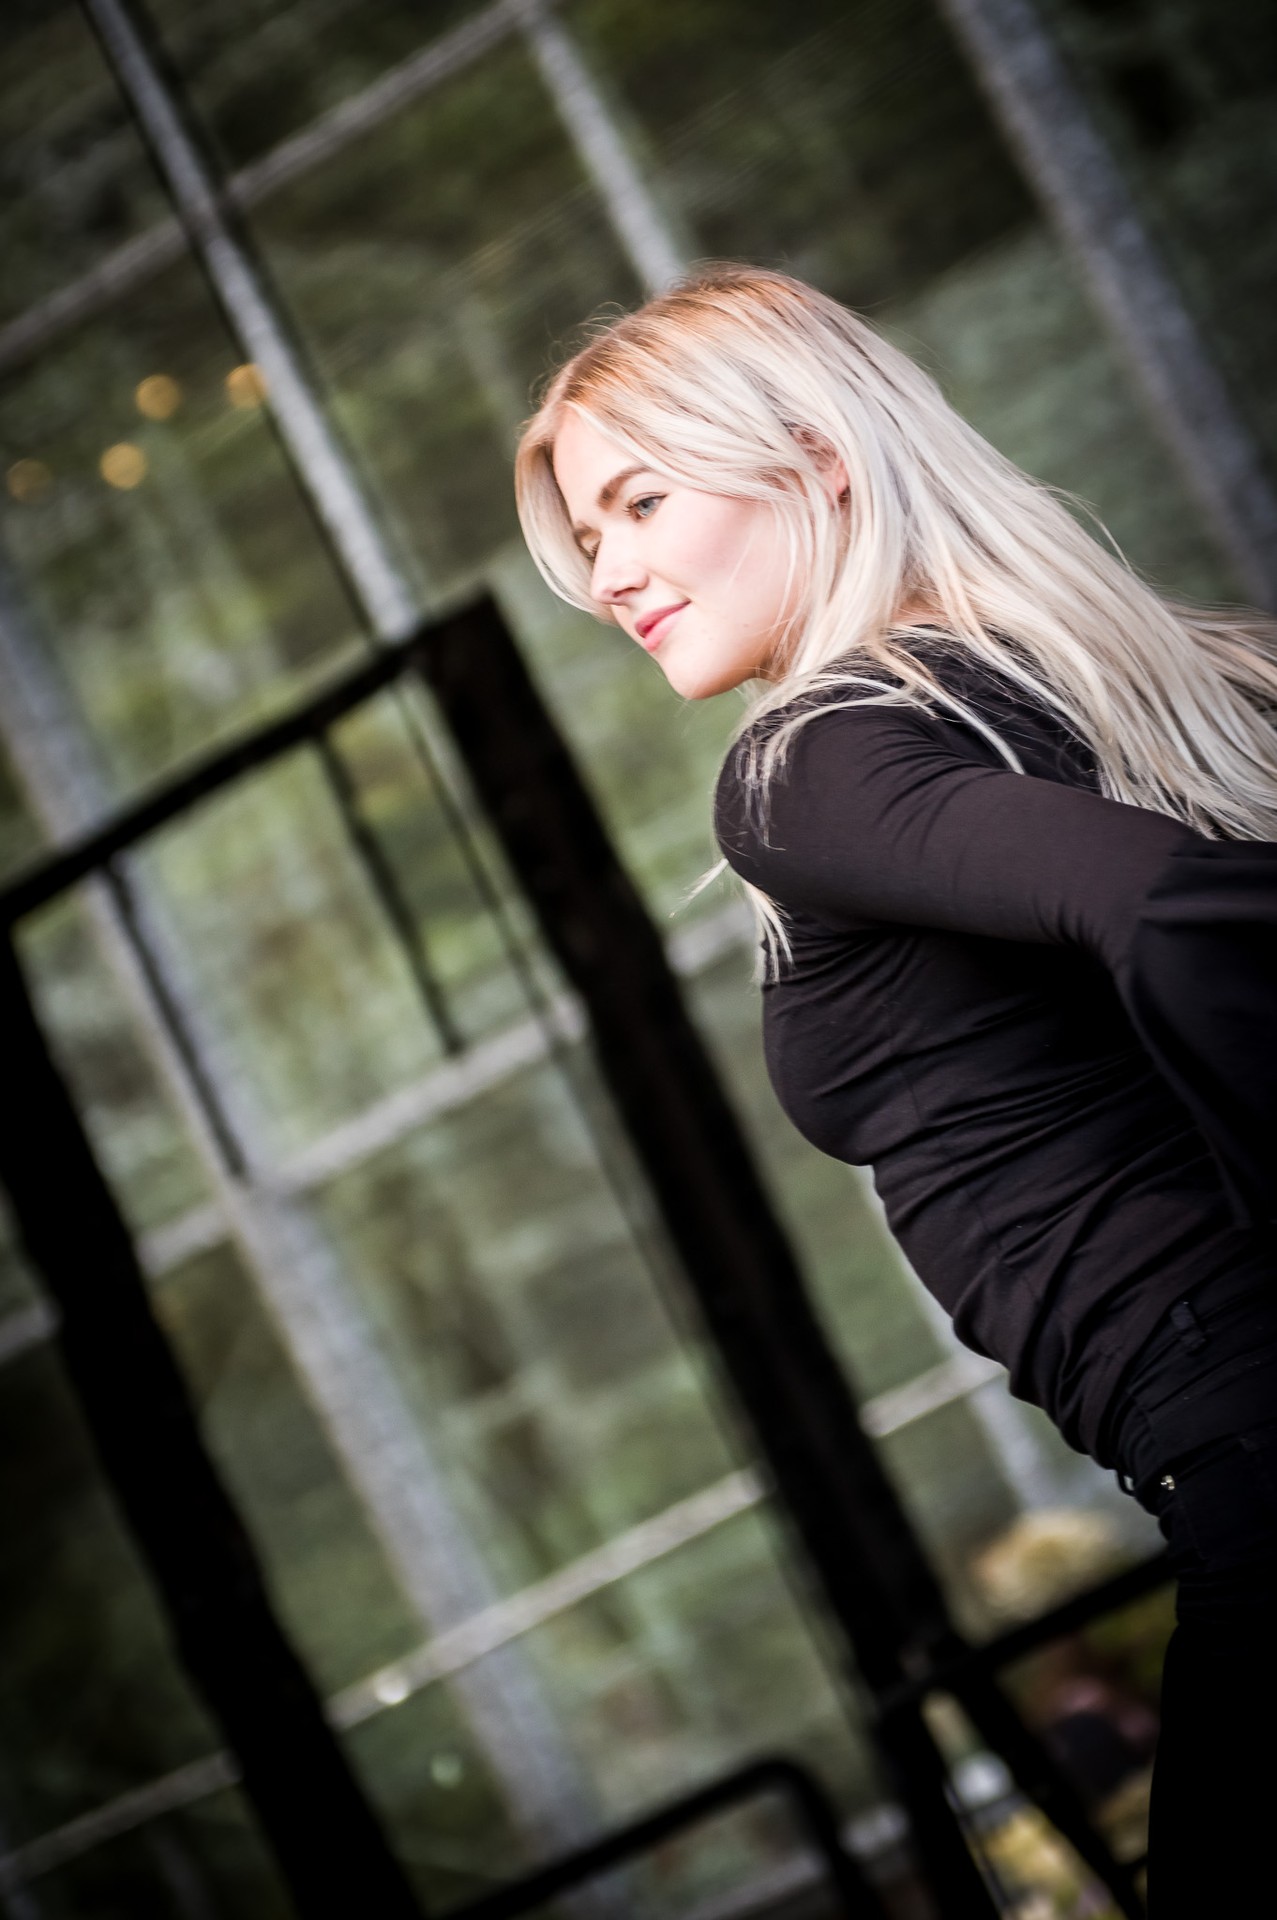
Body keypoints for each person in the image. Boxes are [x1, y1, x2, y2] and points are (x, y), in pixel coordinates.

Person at [514, 264, 1277, 1916]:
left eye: (641, 501)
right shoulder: (1120, 678)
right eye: (586, 534)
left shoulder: (810, 761)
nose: (611, 571)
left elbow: (1175, 907)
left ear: (816, 456)